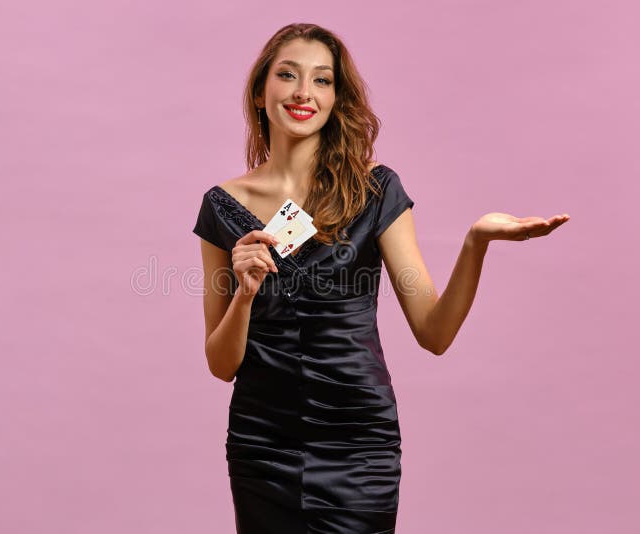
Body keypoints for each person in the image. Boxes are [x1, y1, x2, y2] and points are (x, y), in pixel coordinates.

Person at [192, 22, 569, 534]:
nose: (304, 92)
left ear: (335, 97)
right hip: (264, 444)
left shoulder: (375, 191)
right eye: (288, 75)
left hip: (356, 442)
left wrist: (475, 242)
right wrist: (245, 298)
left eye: (322, 80)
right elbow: (220, 364)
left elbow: (434, 332)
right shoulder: (221, 206)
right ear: (261, 92)